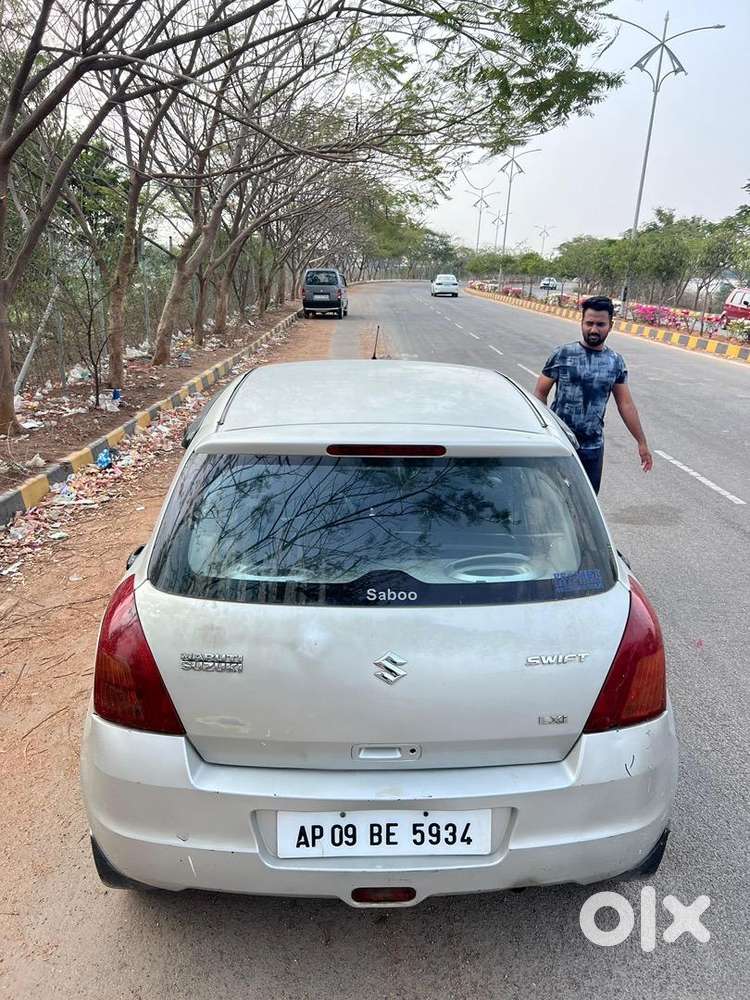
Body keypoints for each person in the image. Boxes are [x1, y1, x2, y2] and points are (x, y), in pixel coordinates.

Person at [532, 295, 653, 494]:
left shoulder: (615, 362)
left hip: (592, 448)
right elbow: (540, 393)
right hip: (560, 443)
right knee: (554, 499)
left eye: (600, 324)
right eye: (589, 323)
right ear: (581, 322)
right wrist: (543, 431)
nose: (594, 329)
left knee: (587, 504)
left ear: (610, 325)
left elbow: (626, 405)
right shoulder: (562, 354)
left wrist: (641, 442)